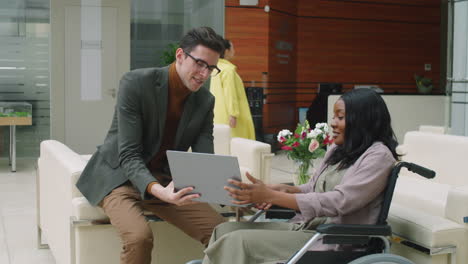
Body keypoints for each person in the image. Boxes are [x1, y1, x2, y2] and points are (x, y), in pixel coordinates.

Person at [76, 27, 226, 264]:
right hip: (119, 177)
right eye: (199, 63)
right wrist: (158, 190)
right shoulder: (136, 83)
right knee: (139, 237)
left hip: (167, 179)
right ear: (180, 55)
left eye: (211, 68)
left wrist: (235, 190)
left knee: (222, 232)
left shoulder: (205, 101)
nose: (204, 73)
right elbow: (129, 153)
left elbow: (204, 157)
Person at [202, 88, 399, 264]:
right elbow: (313, 187)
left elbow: (340, 201)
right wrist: (282, 189)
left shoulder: (378, 156)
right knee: (224, 231)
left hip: (335, 239)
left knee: (238, 242)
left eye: (340, 117)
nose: (333, 123)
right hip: (309, 227)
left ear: (362, 120)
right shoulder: (338, 149)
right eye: (334, 117)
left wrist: (272, 197)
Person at [210, 39, 255, 140]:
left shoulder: (215, 68)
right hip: (231, 117)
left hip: (218, 115)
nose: (234, 51)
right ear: (226, 51)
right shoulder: (228, 70)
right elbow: (230, 93)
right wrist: (233, 114)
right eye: (232, 48)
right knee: (238, 144)